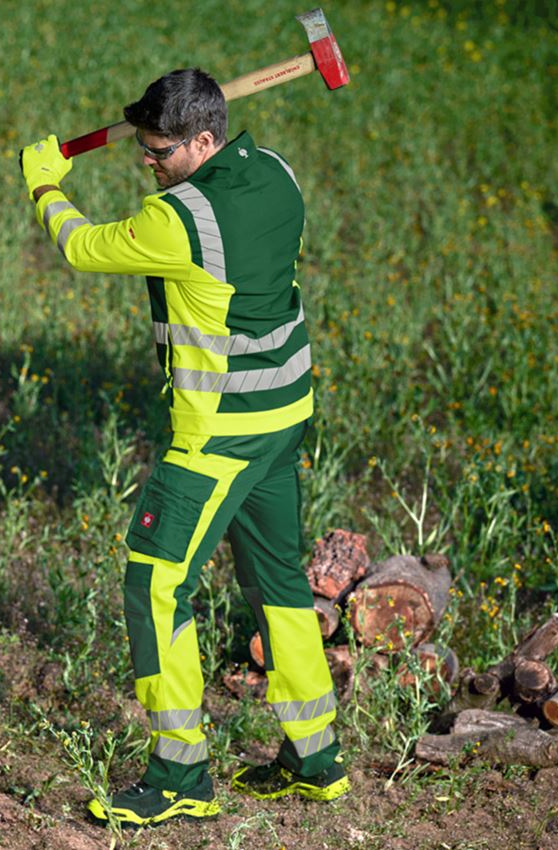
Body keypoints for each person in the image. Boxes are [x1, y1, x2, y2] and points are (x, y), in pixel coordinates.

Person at [19, 68, 348, 828]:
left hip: (218, 434)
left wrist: (46, 186)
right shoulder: (277, 174)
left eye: (160, 152)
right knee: (279, 582)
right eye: (142, 148)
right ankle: (316, 758)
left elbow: (84, 246)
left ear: (205, 139)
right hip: (284, 412)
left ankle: (178, 774)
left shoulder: (180, 220)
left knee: (156, 584)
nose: (148, 163)